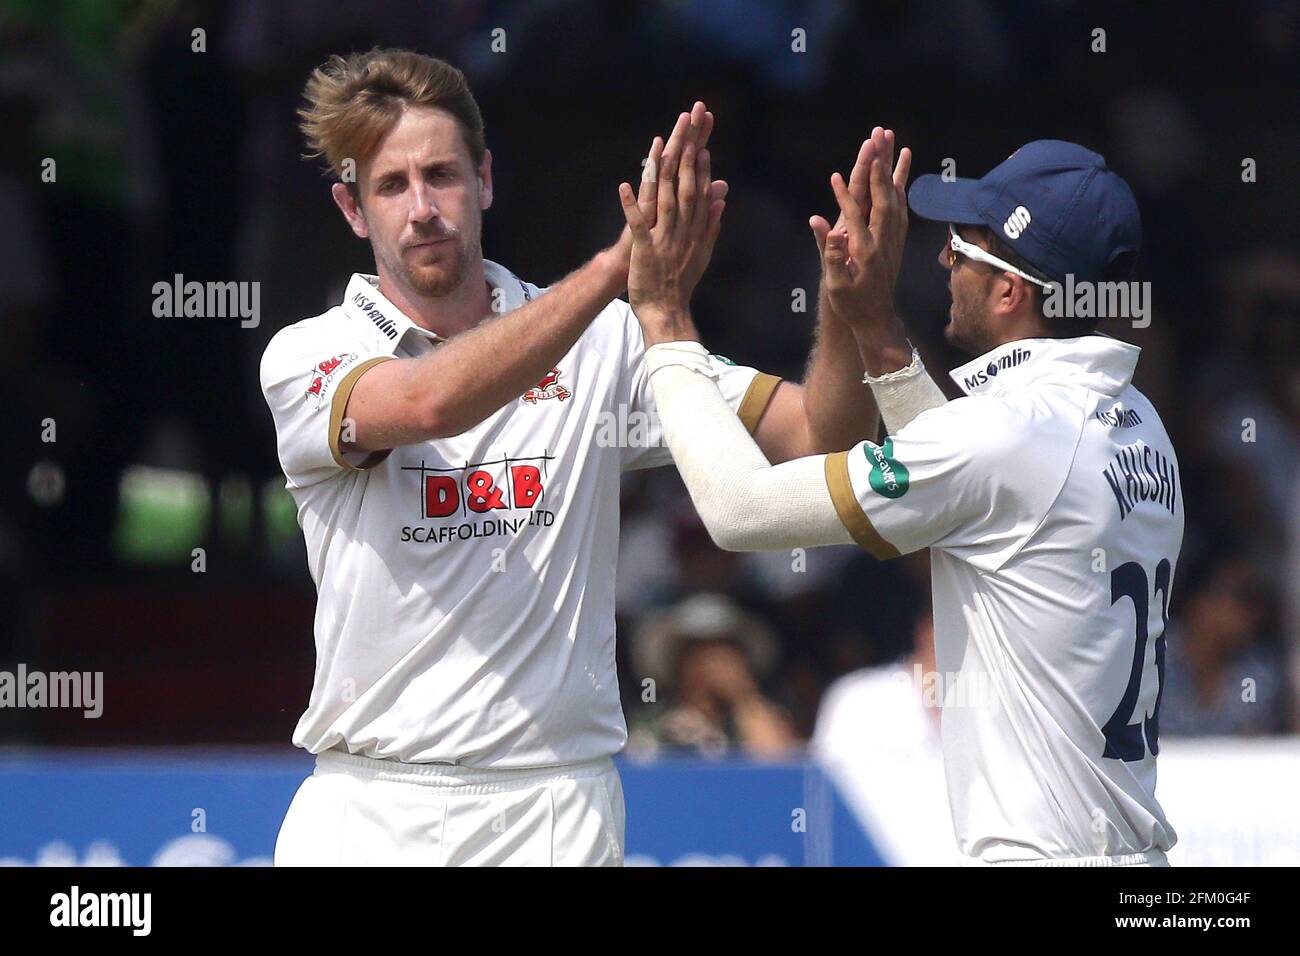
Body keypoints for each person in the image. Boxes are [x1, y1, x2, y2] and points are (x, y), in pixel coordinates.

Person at [259, 49, 875, 866]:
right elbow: (428, 402)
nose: (422, 209)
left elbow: (817, 438)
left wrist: (853, 310)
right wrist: (615, 273)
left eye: (441, 175)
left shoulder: (608, 341)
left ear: (484, 178)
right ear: (351, 208)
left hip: (558, 807)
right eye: (390, 186)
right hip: (374, 805)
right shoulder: (308, 354)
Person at [618, 127, 1184, 865]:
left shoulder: (1009, 435)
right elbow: (963, 501)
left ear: (1011, 290)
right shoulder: (1139, 423)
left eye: (962, 247)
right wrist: (877, 332)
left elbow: (741, 510)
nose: (943, 260)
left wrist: (665, 321)